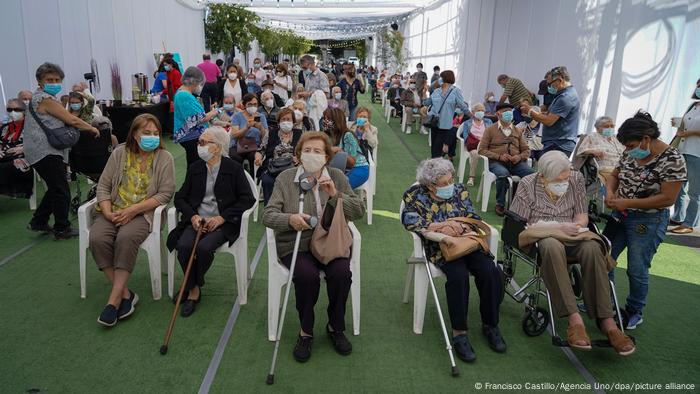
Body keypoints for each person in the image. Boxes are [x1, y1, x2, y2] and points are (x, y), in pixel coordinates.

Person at [510, 151, 636, 356]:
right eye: (559, 180)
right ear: (542, 177)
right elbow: (522, 224)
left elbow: (581, 216)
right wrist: (555, 228)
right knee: (551, 246)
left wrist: (574, 226)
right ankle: (574, 320)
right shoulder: (527, 184)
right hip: (542, 235)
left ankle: (608, 323)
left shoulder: (576, 178)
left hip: (573, 233)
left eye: (566, 178)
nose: (565, 182)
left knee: (593, 248)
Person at [262, 131, 365, 362]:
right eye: (307, 150)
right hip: (296, 244)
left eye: (317, 151)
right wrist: (290, 219)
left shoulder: (337, 176)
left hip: (331, 243)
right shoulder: (286, 178)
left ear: (327, 156)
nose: (311, 155)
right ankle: (305, 331)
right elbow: (268, 215)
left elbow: (358, 211)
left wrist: (336, 195)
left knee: (341, 273)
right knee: (307, 276)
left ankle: (335, 327)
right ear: (298, 154)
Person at [402, 158, 506, 362]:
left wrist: (461, 226)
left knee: (490, 271)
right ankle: (459, 333)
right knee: (458, 277)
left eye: (451, 180)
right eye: (444, 183)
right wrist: (442, 229)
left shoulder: (460, 190)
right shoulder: (414, 195)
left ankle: (491, 325)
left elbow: (471, 215)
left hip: (466, 241)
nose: (450, 185)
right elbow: (410, 221)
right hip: (439, 247)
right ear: (430, 185)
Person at [90, 113, 175, 327]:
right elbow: (103, 186)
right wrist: (108, 213)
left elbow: (165, 194)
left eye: (156, 133)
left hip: (143, 213)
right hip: (114, 209)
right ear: (135, 134)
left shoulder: (165, 158)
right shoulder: (119, 153)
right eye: (146, 133)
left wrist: (134, 210)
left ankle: (113, 301)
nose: (152, 137)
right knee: (98, 238)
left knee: (125, 238)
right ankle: (126, 294)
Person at [605, 111, 686, 329]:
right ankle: (605, 304)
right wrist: (610, 193)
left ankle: (634, 311)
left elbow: (668, 198)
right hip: (619, 215)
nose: (628, 151)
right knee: (603, 257)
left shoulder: (673, 159)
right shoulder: (631, 151)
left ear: (646, 140)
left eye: (631, 146)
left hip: (649, 220)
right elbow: (615, 174)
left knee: (637, 268)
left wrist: (628, 203)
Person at [167, 127, 255, 317]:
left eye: (204, 142)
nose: (200, 146)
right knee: (183, 245)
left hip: (223, 222)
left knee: (204, 248)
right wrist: (193, 216)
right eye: (199, 142)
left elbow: (247, 199)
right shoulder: (195, 168)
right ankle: (194, 286)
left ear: (218, 147)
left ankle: (191, 289)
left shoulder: (234, 168)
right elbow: (180, 198)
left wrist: (222, 218)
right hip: (198, 220)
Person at [24, 62, 100, 239]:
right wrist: (91, 128)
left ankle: (39, 221)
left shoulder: (43, 99)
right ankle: (62, 227)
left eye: (57, 79)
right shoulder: (44, 100)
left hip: (40, 150)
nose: (54, 82)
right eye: (49, 79)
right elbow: (71, 120)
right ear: (40, 81)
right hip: (45, 151)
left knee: (54, 187)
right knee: (61, 189)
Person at [477, 103, 534, 216]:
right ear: (498, 114)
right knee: (503, 174)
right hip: (496, 163)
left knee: (531, 175)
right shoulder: (490, 130)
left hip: (516, 162)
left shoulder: (517, 131)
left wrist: (519, 157)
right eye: (505, 111)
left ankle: (522, 203)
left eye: (510, 111)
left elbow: (526, 150)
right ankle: (500, 204)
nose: (509, 113)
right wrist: (499, 156)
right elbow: (482, 150)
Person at [521, 66, 580, 158]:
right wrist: (536, 112)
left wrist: (530, 112)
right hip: (557, 143)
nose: (549, 87)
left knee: (549, 171)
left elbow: (549, 121)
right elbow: (552, 115)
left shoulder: (565, 97)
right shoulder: (564, 95)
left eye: (550, 84)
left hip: (558, 144)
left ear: (559, 80)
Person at [173, 67, 220, 168]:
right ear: (194, 82)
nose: (201, 86)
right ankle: (191, 184)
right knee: (195, 166)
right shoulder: (185, 96)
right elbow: (200, 119)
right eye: (201, 83)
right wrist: (215, 111)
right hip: (191, 137)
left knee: (194, 164)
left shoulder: (182, 92)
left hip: (190, 136)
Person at [669, 78, 700, 234]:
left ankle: (689, 223)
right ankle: (678, 216)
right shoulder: (693, 106)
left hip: (697, 153)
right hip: (682, 149)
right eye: (698, 85)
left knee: (695, 192)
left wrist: (690, 133)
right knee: (678, 185)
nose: (698, 88)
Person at [257, 108, 302, 203]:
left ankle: (290, 207)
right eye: (283, 119)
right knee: (267, 181)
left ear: (293, 122)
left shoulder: (300, 134)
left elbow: (305, 151)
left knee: (295, 181)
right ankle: (270, 209)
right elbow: (261, 150)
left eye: (288, 119)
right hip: (272, 168)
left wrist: (299, 158)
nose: (286, 122)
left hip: (293, 167)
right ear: (278, 122)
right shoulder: (271, 133)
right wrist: (258, 157)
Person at [423, 70, 470, 159]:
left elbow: (463, 106)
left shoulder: (455, 91)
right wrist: (424, 93)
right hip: (433, 122)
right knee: (434, 147)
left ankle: (436, 166)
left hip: (445, 124)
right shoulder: (437, 90)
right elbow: (427, 102)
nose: (439, 79)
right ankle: (435, 165)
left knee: (437, 147)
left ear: (445, 78)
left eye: (441, 77)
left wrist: (472, 116)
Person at [323, 108, 369, 188]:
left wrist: (339, 151)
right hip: (341, 169)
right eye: (324, 119)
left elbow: (352, 162)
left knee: (335, 189)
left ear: (336, 120)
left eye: (328, 119)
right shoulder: (329, 135)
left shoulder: (348, 135)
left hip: (358, 169)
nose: (325, 121)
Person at [575, 116, 624, 182]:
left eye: (612, 126)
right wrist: (592, 151)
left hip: (622, 169)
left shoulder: (615, 138)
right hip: (606, 169)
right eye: (606, 126)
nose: (610, 128)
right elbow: (581, 151)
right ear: (597, 128)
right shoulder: (592, 136)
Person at [0, 99, 32, 198]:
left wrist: (24, 147)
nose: (13, 112)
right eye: (9, 109)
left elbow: (39, 142)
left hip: (25, 155)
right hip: (4, 156)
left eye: (17, 109)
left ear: (24, 110)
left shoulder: (31, 125)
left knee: (11, 166)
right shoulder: (5, 127)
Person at [229, 93, 268, 174]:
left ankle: (252, 180)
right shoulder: (237, 116)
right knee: (235, 158)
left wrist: (261, 127)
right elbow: (234, 134)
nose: (252, 106)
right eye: (249, 104)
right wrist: (246, 128)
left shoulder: (261, 116)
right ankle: (238, 179)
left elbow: (265, 137)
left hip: (254, 145)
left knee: (253, 157)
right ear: (244, 105)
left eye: (255, 104)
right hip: (238, 144)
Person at [461, 103, 493, 186]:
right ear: (473, 112)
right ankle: (471, 177)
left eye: (483, 110)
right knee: (475, 153)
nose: (481, 112)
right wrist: (477, 140)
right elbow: (465, 137)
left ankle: (493, 175)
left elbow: (493, 135)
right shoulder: (467, 123)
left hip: (485, 145)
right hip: (473, 146)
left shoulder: (488, 121)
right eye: (479, 110)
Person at [163, 57, 182, 135]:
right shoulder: (168, 73)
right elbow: (169, 86)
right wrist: (163, 92)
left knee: (175, 115)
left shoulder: (176, 73)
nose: (165, 66)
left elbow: (178, 86)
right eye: (164, 65)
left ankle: (177, 132)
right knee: (173, 115)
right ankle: (175, 132)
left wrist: (174, 99)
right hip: (172, 96)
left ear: (171, 65)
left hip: (176, 96)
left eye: (166, 65)